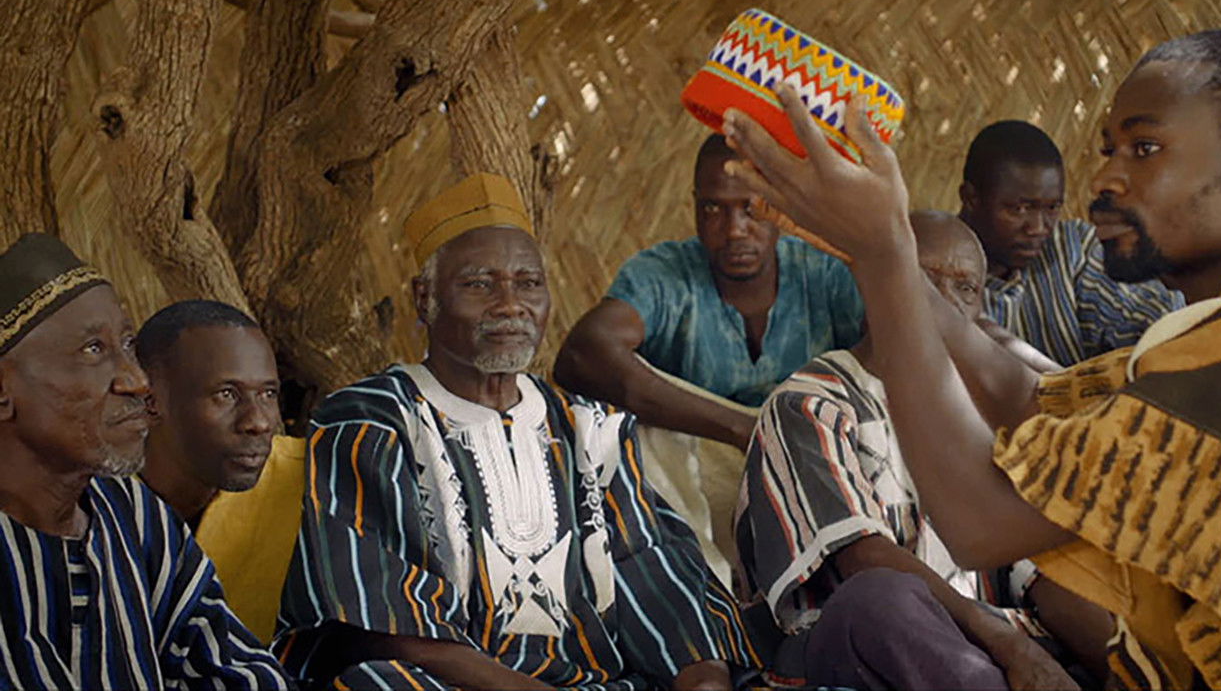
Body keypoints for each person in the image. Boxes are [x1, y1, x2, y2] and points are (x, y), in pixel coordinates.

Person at [723, 27, 1221, 689]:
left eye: (1146, 148)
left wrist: (886, 258)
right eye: (1109, 149)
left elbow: (982, 523)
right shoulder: (1208, 343)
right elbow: (1035, 403)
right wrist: (884, 253)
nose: (1104, 177)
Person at [274, 173, 758, 690]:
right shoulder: (374, 420)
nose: (510, 304)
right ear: (424, 298)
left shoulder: (588, 430)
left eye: (528, 283)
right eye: (479, 285)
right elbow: (381, 620)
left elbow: (655, 575)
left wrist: (702, 679)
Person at [736, 211, 1109, 689]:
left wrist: (1129, 663)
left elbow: (1038, 569)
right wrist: (1010, 646)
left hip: (985, 645)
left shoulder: (986, 417)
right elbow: (862, 560)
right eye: (925, 281)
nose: (945, 303)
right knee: (877, 598)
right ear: (875, 286)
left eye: (965, 288)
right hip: (861, 641)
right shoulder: (811, 403)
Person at [555, 134, 863, 579]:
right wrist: (741, 429)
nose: (734, 229)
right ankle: (704, 588)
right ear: (695, 206)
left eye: (751, 208)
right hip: (699, 495)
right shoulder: (663, 275)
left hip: (814, 469)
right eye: (714, 209)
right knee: (645, 432)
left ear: (779, 205)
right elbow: (583, 354)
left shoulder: (823, 272)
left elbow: (889, 360)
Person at [0, 233, 292, 688]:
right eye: (93, 350)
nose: (136, 380)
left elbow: (235, 669)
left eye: (128, 345)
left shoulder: (133, 516)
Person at [137, 299, 306, 643]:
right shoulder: (83, 505)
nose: (259, 422)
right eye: (227, 394)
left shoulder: (309, 479)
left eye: (268, 394)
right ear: (150, 400)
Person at [959, 120, 1184, 366]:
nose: (1038, 228)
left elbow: (1153, 322)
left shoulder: (1073, 250)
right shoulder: (938, 276)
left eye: (1052, 208)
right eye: (1019, 209)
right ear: (971, 198)